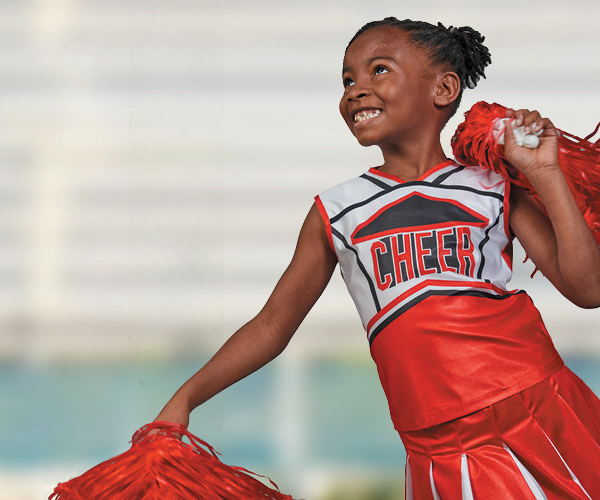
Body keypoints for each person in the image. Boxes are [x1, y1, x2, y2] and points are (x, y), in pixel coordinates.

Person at [154, 18, 600, 498]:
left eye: (378, 70)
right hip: (435, 447)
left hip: (540, 408)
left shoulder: (492, 185)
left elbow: (588, 289)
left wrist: (546, 172)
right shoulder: (337, 210)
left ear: (444, 88)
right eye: (347, 80)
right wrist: (185, 398)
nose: (356, 91)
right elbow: (271, 326)